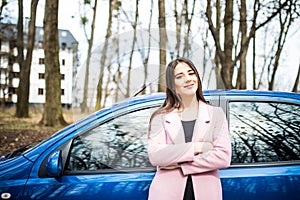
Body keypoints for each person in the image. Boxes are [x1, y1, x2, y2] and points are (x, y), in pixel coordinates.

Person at [147, 57, 232, 200]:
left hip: (206, 193)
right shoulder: (160, 117)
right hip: (166, 194)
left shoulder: (216, 114)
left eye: (191, 73)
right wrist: (197, 147)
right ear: (172, 85)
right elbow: (156, 155)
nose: (188, 79)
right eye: (180, 76)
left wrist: (179, 165)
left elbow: (223, 157)